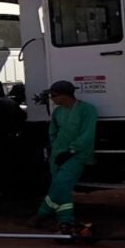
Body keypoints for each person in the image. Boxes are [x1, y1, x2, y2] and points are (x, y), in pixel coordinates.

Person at [34, 80, 97, 230]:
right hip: (57, 155)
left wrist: (72, 151)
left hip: (76, 156)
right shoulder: (58, 112)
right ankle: (63, 219)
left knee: (61, 185)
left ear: (65, 95)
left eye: (54, 95)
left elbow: (88, 134)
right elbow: (53, 132)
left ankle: (45, 214)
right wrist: (55, 150)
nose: (51, 99)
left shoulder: (87, 110)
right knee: (59, 186)